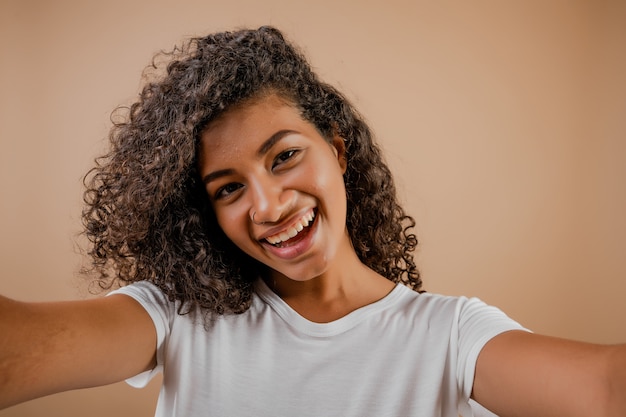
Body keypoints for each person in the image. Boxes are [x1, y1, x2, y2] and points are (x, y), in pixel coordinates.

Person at [0, 26, 624, 417]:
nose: (268, 206)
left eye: (285, 156)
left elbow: (605, 391)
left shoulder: (450, 338)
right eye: (228, 189)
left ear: (339, 148)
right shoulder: (179, 319)